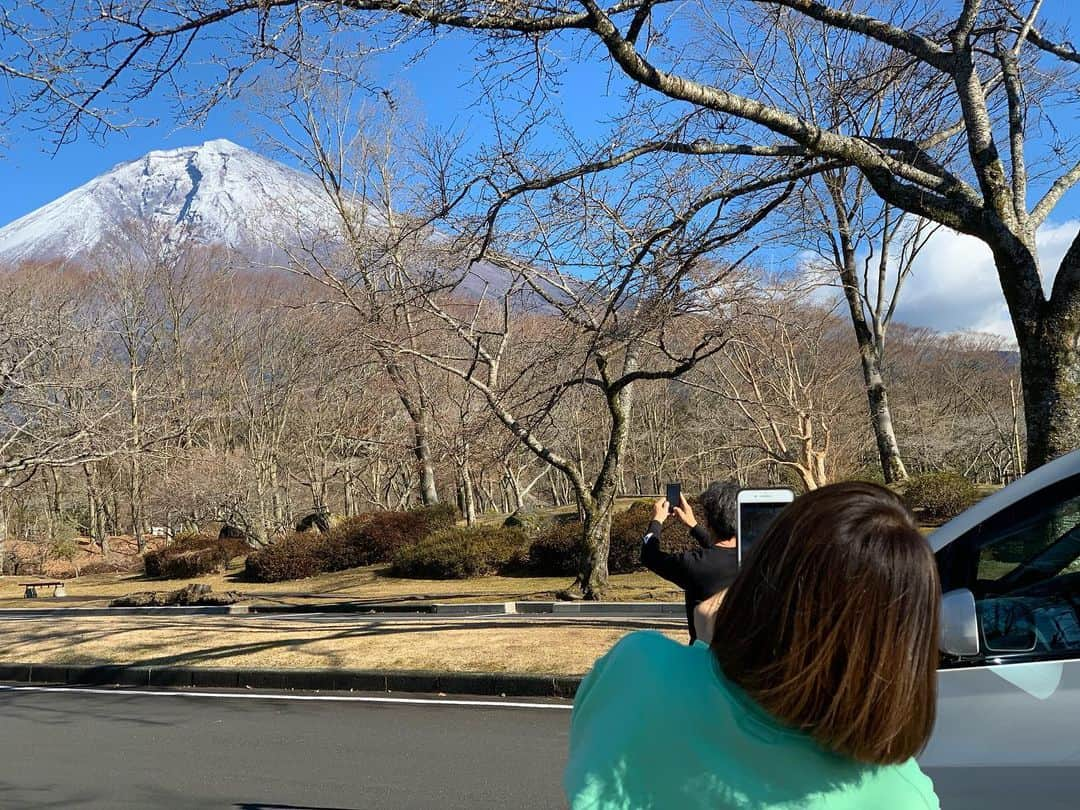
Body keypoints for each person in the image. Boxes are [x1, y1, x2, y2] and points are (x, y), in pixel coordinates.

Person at [565, 482, 941, 810]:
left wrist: (660, 522)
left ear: (766, 568)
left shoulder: (636, 668)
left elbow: (653, 555)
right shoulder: (900, 796)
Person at [640, 480, 740, 642]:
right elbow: (721, 550)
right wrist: (693, 525)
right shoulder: (756, 558)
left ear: (709, 522)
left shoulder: (694, 564)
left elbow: (649, 555)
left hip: (703, 659)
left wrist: (656, 521)